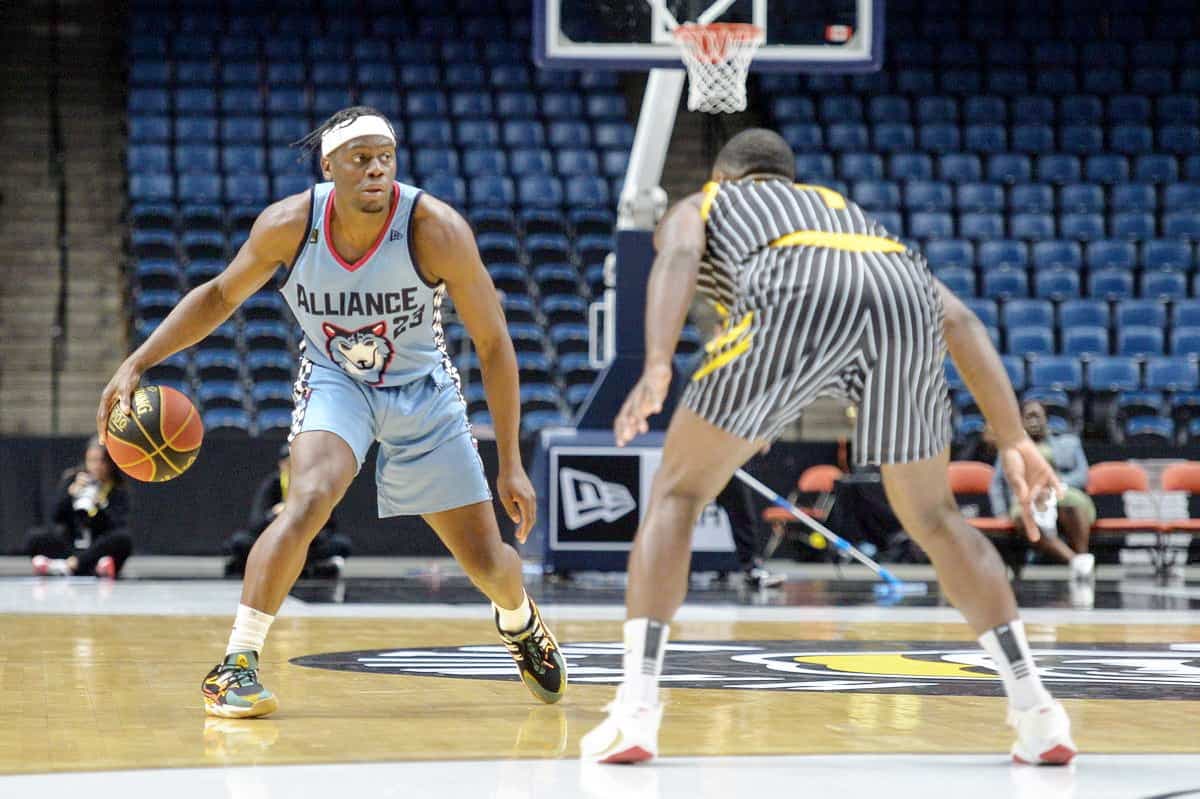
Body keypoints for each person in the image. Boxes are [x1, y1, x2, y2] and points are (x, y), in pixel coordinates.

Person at [580, 129, 1075, 765]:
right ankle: (1037, 711)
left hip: (790, 292)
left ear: (727, 178)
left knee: (676, 494)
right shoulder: (848, 215)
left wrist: (655, 363)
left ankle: (637, 711)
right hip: (902, 300)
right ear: (789, 180)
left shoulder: (705, 203)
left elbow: (677, 258)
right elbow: (960, 321)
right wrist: (1012, 441)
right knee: (935, 518)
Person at [97, 106, 565, 718]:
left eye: (385, 157)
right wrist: (138, 360)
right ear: (329, 166)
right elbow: (217, 295)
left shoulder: (436, 230)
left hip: (422, 389)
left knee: (489, 566)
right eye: (360, 158)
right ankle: (237, 662)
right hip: (335, 379)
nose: (376, 169)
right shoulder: (290, 224)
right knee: (309, 497)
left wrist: (511, 464)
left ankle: (519, 619)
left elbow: (495, 343)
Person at [990, 400, 1096, 580]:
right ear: (1021, 422)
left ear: (1046, 419)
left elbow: (1082, 475)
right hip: (1026, 496)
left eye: (1037, 416)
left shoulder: (1068, 443)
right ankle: (1078, 562)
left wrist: (1057, 482)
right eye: (1028, 417)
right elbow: (997, 484)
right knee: (1024, 515)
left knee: (1072, 503)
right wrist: (1000, 512)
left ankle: (1082, 554)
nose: (1033, 421)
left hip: (1060, 492)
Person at [223, 444, 352, 579]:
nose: (292, 468)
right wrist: (274, 514)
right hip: (275, 541)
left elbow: (329, 525)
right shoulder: (273, 484)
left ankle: (312, 565)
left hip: (305, 541)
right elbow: (255, 524)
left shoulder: (315, 485)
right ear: (281, 465)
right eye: (288, 463)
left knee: (341, 544)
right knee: (239, 542)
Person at [27, 436, 132, 579]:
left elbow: (117, 526)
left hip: (98, 545)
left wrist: (100, 505)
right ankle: (91, 566)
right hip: (72, 544)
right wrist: (70, 495)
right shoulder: (73, 479)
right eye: (92, 460)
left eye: (102, 461)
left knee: (123, 539)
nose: (97, 466)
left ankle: (67, 566)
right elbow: (56, 516)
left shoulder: (117, 488)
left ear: (110, 463)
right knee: (35, 537)